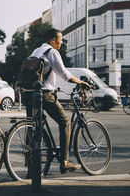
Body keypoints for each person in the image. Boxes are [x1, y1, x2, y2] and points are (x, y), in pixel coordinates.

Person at [27, 28, 90, 173]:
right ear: (53, 40)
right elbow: (64, 75)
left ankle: (31, 168)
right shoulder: (52, 52)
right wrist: (80, 82)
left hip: (29, 93)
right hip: (44, 94)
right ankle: (65, 162)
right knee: (65, 122)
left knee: (33, 128)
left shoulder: (36, 51)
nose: (61, 43)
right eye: (60, 40)